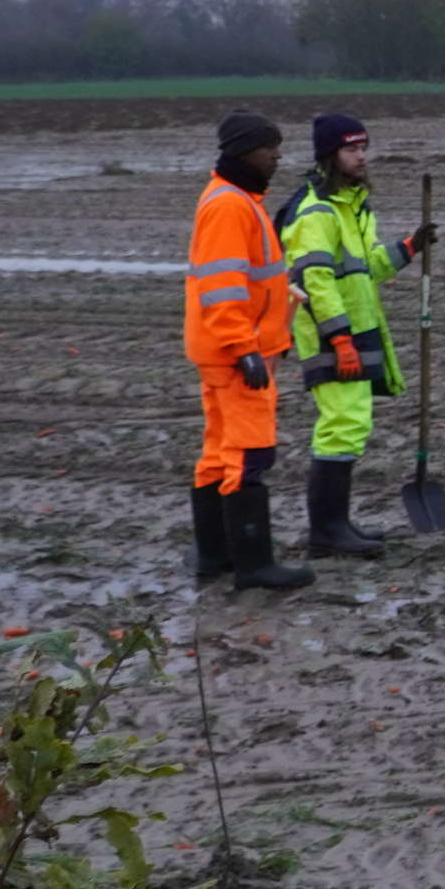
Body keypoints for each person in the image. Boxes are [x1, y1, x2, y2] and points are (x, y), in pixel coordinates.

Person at [276, 113, 435, 559]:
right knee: (342, 424)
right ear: (330, 155)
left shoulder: (352, 207)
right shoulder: (316, 213)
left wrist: (408, 248)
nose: (361, 156)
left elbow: (365, 270)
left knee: (352, 424)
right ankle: (326, 532)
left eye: (364, 147)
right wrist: (340, 339)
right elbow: (315, 281)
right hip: (330, 334)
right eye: (352, 149)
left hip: (356, 327)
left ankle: (337, 524)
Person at [185, 112, 310, 594]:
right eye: (268, 148)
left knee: (219, 454)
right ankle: (253, 563)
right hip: (238, 355)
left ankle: (214, 557)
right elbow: (222, 288)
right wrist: (245, 349)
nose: (277, 156)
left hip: (230, 350)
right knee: (248, 453)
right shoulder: (229, 206)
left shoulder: (237, 200)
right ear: (242, 153)